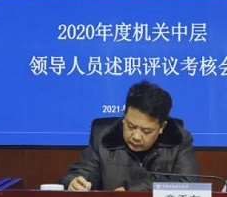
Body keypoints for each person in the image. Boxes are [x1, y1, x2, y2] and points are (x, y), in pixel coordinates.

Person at [61, 81, 199, 191]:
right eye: (131, 126)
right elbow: (81, 172)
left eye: (146, 131)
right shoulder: (103, 137)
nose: (136, 136)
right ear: (124, 117)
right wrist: (74, 181)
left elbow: (188, 185)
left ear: (162, 127)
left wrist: (133, 191)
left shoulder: (178, 140)